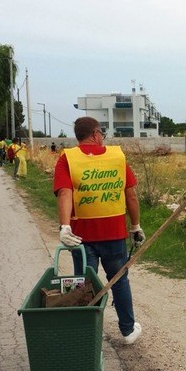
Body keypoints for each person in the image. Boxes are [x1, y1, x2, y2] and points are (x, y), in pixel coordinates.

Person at [53, 117, 146, 344]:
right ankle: (127, 330)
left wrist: (65, 226)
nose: (102, 137)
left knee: (85, 283)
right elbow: (131, 195)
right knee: (119, 279)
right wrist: (135, 226)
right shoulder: (117, 157)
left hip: (80, 237)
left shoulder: (68, 158)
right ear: (95, 134)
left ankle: (85, 333)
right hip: (114, 235)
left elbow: (65, 193)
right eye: (101, 133)